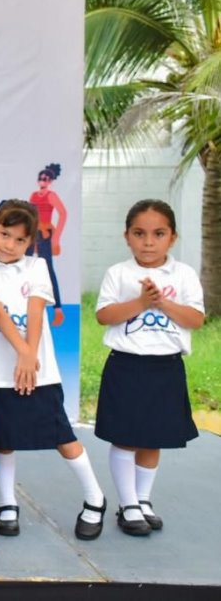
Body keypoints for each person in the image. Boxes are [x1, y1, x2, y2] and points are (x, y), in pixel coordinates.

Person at [0, 200, 106, 541]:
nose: (9, 244)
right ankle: (7, 504)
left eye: (19, 240)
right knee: (3, 441)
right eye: (4, 234)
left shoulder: (37, 267)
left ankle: (95, 498)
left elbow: (35, 309)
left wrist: (30, 356)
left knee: (63, 438)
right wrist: (22, 354)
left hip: (39, 372)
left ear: (30, 242)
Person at [94, 200, 204, 536]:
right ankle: (127, 505)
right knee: (126, 437)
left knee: (152, 439)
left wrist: (161, 302)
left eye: (159, 234)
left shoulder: (183, 274)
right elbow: (103, 316)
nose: (148, 241)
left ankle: (142, 500)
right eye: (139, 233)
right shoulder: (119, 273)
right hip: (127, 366)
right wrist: (140, 303)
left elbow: (196, 319)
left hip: (166, 368)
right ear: (127, 236)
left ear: (173, 237)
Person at [28, 163, 67, 327]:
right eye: (40, 178)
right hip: (32, 232)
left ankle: (57, 308)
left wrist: (56, 238)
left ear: (50, 181)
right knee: (25, 265)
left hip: (45, 233)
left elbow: (63, 213)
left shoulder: (51, 195)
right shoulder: (33, 195)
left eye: (45, 179)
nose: (42, 181)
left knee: (48, 269)